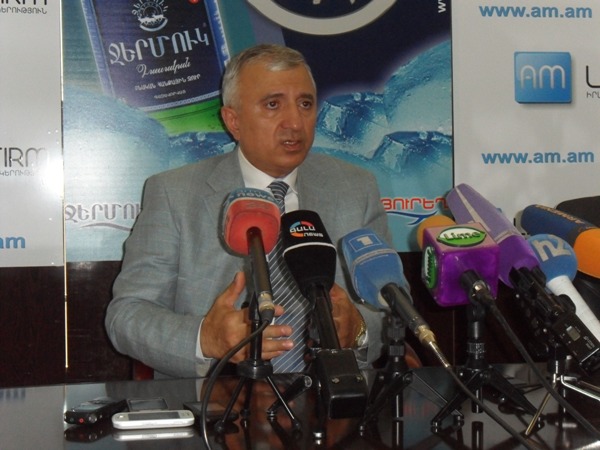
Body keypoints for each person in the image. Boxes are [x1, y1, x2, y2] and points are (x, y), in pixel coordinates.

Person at [106, 44, 395, 378]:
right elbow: (126, 316)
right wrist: (206, 338)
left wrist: (359, 329)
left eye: (305, 104)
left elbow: (393, 308)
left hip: (330, 395)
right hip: (216, 398)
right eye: (273, 104)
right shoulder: (174, 194)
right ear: (233, 121)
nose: (295, 123)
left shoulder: (356, 189)